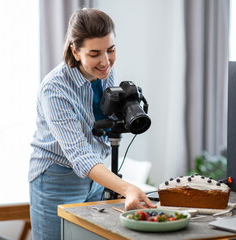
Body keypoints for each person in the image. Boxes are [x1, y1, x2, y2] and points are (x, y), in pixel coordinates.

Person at [29, 8, 155, 240]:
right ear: (75, 51)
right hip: (56, 179)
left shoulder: (105, 70)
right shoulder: (54, 89)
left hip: (94, 178)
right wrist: (126, 187)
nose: (106, 62)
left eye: (111, 50)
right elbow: (79, 154)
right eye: (95, 53)